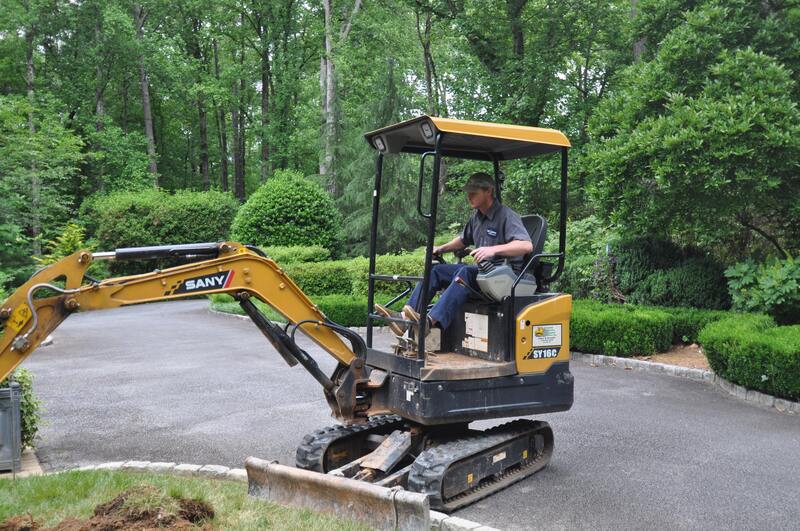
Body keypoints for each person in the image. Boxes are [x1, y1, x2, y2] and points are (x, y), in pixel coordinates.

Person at [375, 171, 532, 338]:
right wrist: (441, 248)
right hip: (484, 274)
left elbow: (526, 245)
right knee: (436, 270)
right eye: (468, 192)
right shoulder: (477, 218)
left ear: (488, 191)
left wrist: (493, 249)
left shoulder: (507, 216)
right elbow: (463, 240)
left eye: (474, 192)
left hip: (504, 277)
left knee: (464, 272)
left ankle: (428, 322)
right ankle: (404, 319)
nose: (469, 196)